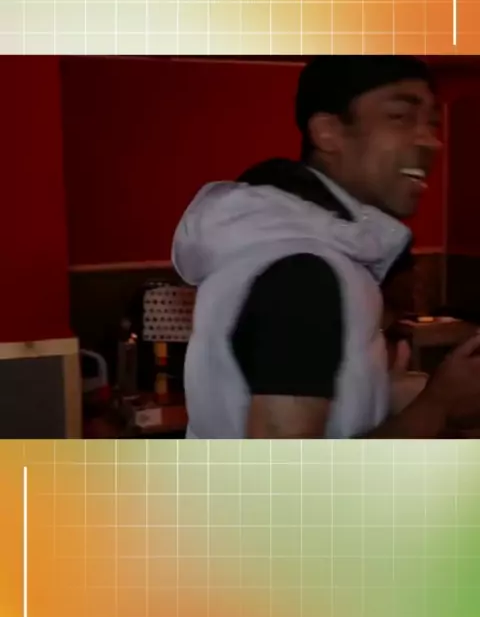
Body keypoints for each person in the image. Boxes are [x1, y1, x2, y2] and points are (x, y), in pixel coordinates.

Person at [172, 55, 480, 439]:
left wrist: (380, 392)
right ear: (328, 132)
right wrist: (438, 405)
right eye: (400, 117)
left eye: (433, 123)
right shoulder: (303, 274)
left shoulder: (316, 251)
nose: (431, 141)